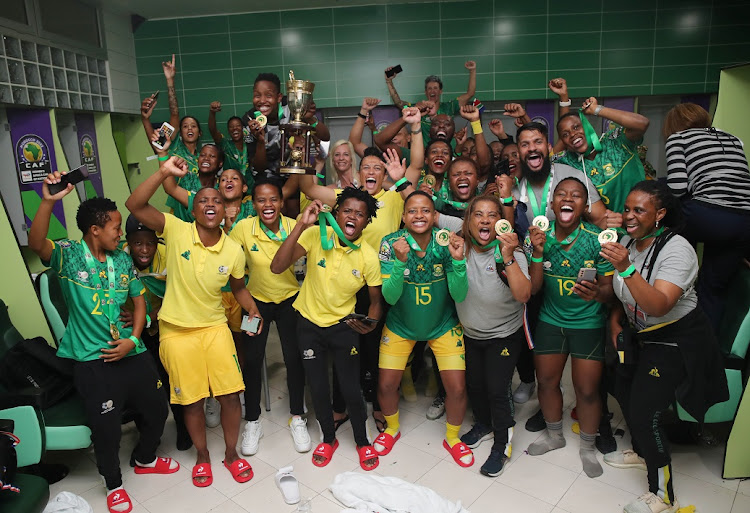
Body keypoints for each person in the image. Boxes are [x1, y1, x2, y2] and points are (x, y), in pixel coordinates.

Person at [29, 174, 177, 513]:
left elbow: (139, 302)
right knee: (106, 427)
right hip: (93, 360)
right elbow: (38, 243)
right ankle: (113, 484)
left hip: (130, 351)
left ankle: (144, 458)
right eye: (114, 227)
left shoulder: (123, 260)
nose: (120, 233)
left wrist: (134, 339)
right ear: (95, 229)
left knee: (157, 407)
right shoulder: (68, 256)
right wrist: (49, 201)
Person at [126, 156, 263, 488]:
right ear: (193, 209)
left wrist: (253, 310)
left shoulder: (232, 250)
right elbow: (134, 203)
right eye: (203, 200)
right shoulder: (175, 229)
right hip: (176, 331)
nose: (211, 203)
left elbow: (239, 288)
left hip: (215, 328)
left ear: (225, 208)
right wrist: (163, 173)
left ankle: (231, 454)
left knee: (231, 395)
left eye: (217, 199)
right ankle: (203, 456)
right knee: (192, 399)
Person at [600, 180, 728, 513]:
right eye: (627, 208)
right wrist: (616, 318)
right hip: (642, 334)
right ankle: (643, 453)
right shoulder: (631, 241)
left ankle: (662, 495)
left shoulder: (677, 249)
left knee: (646, 410)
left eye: (638, 210)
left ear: (659, 214)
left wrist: (625, 267)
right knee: (619, 384)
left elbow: (658, 305)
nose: (629, 216)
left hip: (676, 337)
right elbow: (624, 296)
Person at [299, 107, 425, 431]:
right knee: (347, 351)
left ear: (384, 175)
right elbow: (310, 189)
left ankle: (380, 406)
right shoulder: (347, 198)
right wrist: (307, 149)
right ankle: (341, 407)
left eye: (377, 167)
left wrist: (416, 128)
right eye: (365, 166)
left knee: (374, 350)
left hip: (382, 286)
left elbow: (417, 168)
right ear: (359, 172)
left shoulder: (395, 197)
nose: (371, 170)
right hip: (346, 287)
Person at [270, 189, 383, 471]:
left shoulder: (368, 257)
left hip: (344, 327)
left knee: (351, 389)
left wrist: (370, 325)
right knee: (318, 386)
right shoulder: (315, 236)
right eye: (347, 210)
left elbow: (376, 302)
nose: (352, 216)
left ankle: (362, 441)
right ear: (336, 213)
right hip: (308, 323)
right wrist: (300, 225)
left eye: (360, 213)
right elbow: (277, 266)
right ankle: (328, 439)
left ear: (367, 222)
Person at [372, 191, 472, 468]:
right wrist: (401, 262)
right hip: (400, 326)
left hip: (443, 325)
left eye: (426, 210)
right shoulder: (390, 243)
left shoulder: (446, 243)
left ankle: (452, 438)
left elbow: (459, 294)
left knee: (457, 388)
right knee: (386, 384)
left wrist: (458, 260)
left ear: (434, 215)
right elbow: (389, 298)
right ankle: (392, 429)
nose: (419, 215)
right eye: (412, 211)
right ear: (403, 217)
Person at [525, 177, 614, 479]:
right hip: (550, 320)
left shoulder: (597, 239)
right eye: (561, 194)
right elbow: (534, 289)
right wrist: (537, 252)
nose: (568, 198)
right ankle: (554, 436)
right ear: (551, 204)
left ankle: (587, 447)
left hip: (588, 324)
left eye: (576, 195)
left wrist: (597, 294)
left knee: (587, 390)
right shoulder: (540, 236)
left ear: (584, 206)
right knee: (546, 382)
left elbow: (610, 291)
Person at [439, 195, 531, 475]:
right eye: (478, 214)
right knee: (475, 385)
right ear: (467, 222)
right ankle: (484, 424)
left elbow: (524, 294)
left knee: (496, 389)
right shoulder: (458, 248)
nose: (485, 220)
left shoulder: (511, 252)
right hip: (471, 332)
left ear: (500, 222)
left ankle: (502, 444)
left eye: (491, 215)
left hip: (504, 334)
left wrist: (508, 258)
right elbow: (456, 292)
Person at [229, 180, 311, 456]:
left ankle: (297, 416)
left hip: (290, 300)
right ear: (253, 204)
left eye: (273, 199)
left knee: (294, 358)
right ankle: (252, 420)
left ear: (281, 202)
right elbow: (232, 268)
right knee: (251, 360)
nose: (268, 206)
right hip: (254, 303)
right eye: (261, 200)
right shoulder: (242, 228)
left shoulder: (294, 226)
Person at [663, 103, 750, 333]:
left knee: (659, 195)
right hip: (745, 222)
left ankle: (672, 274)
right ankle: (706, 348)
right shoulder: (733, 138)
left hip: (709, 216)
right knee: (714, 289)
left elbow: (678, 188)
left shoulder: (678, 139)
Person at [121, 215, 191, 451]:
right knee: (143, 386)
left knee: (174, 379)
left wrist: (149, 317)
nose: (144, 249)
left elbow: (177, 295)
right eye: (137, 243)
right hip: (132, 331)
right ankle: (149, 436)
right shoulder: (119, 260)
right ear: (127, 241)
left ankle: (184, 429)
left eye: (149, 243)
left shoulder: (168, 257)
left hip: (165, 323)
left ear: (157, 241)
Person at [553, 85, 650, 213]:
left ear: (587, 126)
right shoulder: (568, 161)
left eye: (576, 127)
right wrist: (564, 99)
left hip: (644, 218)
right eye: (565, 135)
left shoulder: (614, 141)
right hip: (609, 228)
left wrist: (597, 110)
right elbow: (541, 157)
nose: (572, 134)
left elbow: (642, 124)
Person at [208, 101, 255, 187]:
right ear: (228, 130)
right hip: (230, 187)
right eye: (231, 127)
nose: (234, 128)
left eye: (237, 125)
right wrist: (212, 113)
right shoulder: (225, 145)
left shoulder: (249, 146)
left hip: (249, 188)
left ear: (243, 128)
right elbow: (213, 130)